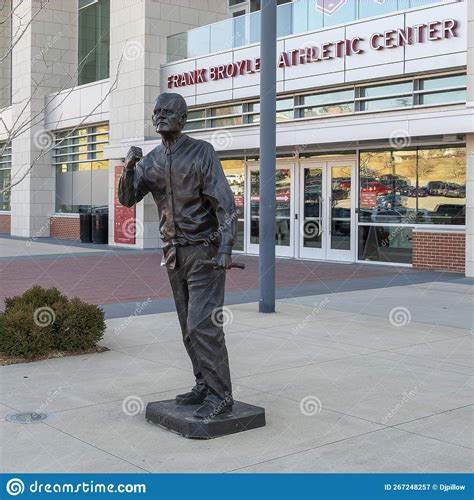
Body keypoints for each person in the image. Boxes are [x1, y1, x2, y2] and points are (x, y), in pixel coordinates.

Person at [118, 92, 237, 419]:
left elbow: (225, 203)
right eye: (156, 111)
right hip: (173, 253)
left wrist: (226, 247)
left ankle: (221, 395)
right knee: (188, 325)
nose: (160, 116)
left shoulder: (202, 152)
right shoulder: (151, 160)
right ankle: (203, 383)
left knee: (202, 323)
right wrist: (129, 169)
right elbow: (128, 199)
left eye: (167, 111)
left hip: (205, 252)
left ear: (183, 118)